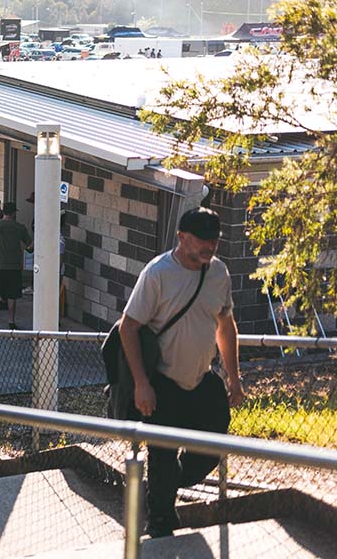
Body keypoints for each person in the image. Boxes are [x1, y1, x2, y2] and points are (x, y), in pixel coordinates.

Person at [118, 207, 244, 538]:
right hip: (162, 382)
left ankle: (163, 485)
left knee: (212, 445)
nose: (210, 247)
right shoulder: (158, 273)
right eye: (202, 240)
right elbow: (128, 328)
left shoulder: (218, 273)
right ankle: (160, 521)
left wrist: (234, 377)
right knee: (162, 453)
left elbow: (225, 325)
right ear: (182, 237)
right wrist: (142, 384)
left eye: (214, 241)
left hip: (203, 378)